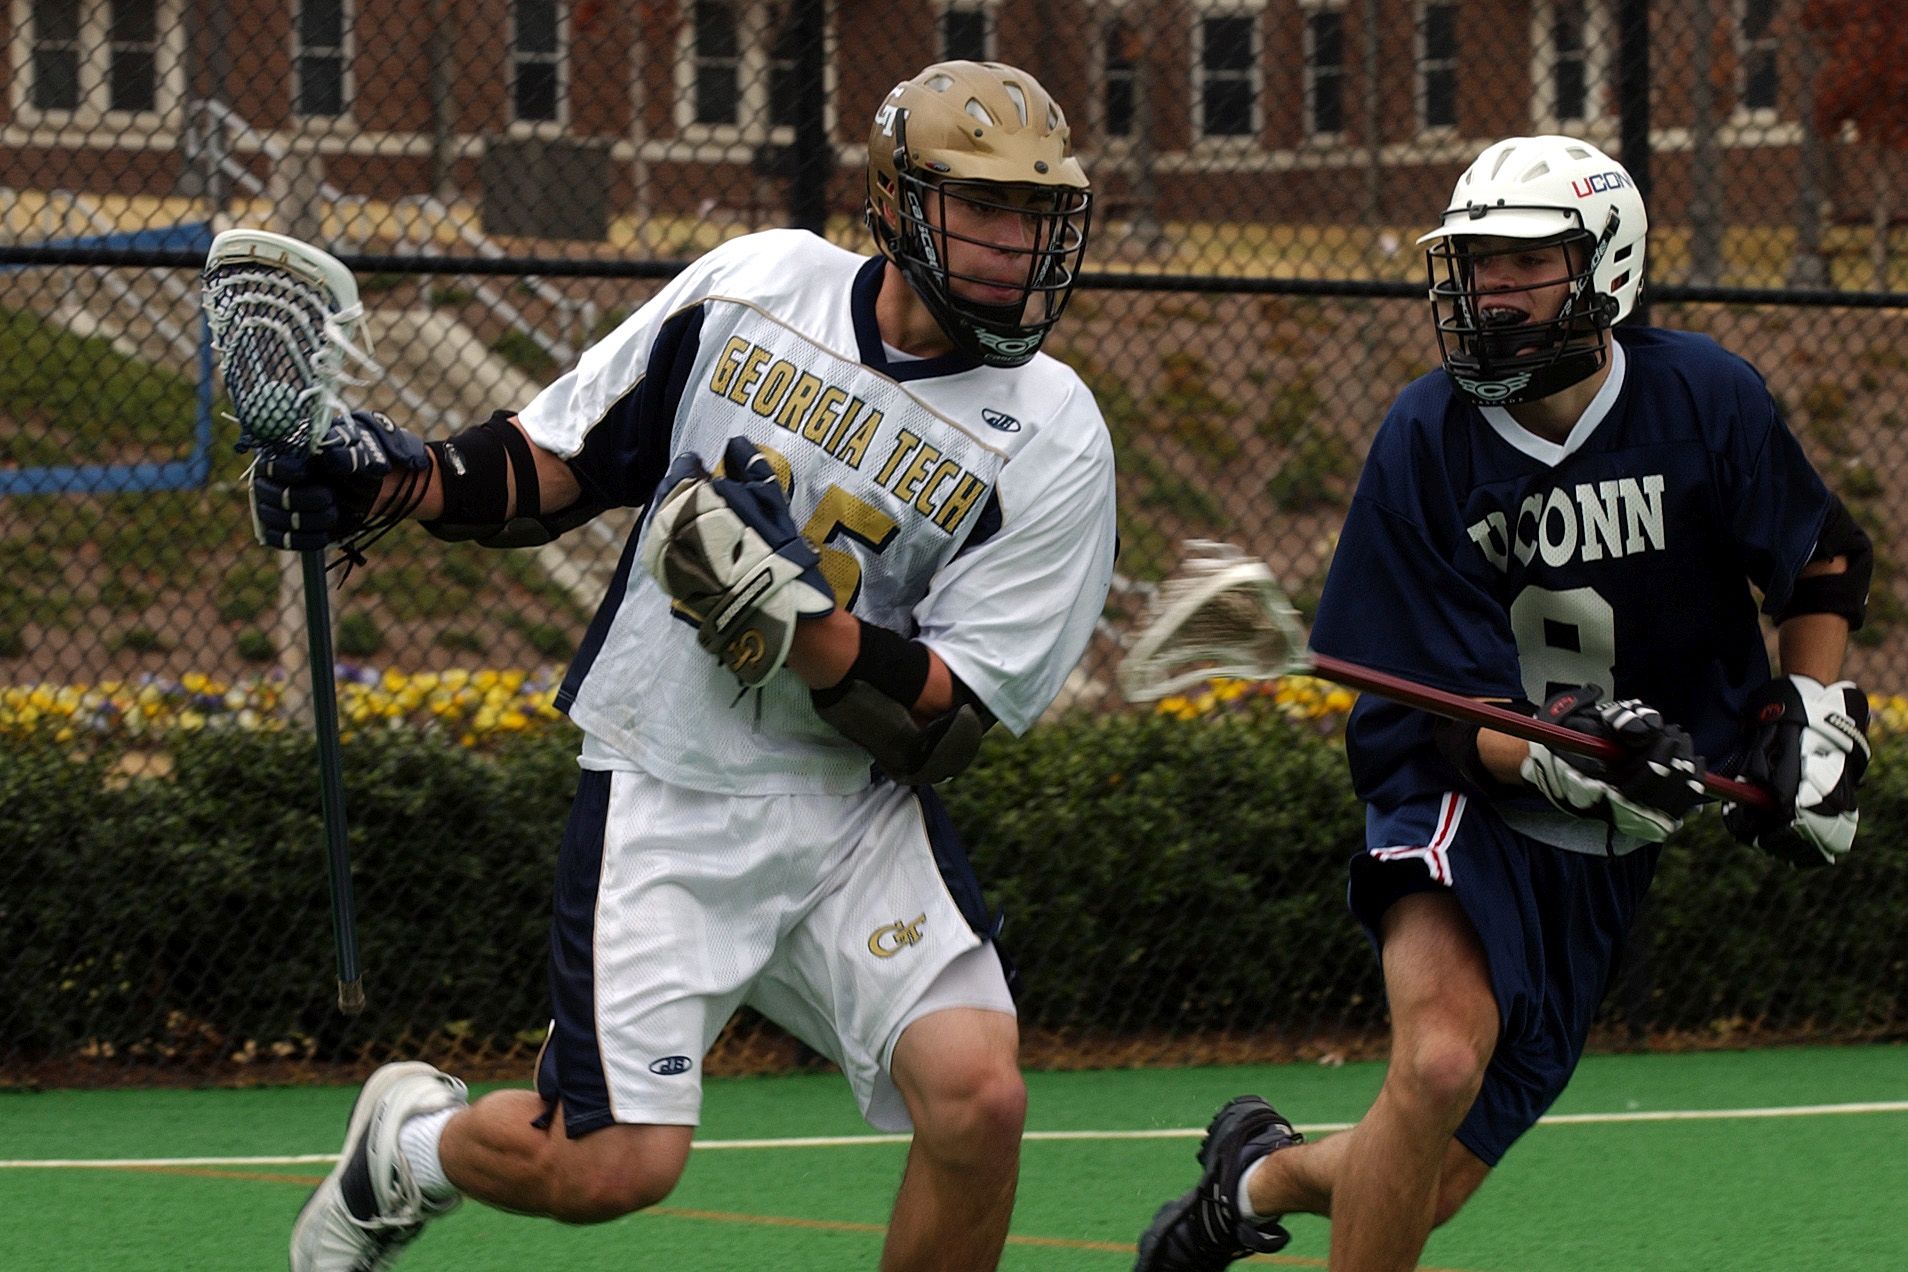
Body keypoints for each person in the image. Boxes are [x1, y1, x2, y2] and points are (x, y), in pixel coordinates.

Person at [262, 60, 1115, 1272]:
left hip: (850, 812)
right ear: (894, 202)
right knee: (608, 1168)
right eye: (982, 206)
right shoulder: (757, 285)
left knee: (980, 1102)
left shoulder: (1056, 432)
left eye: (1035, 213)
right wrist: (393, 480)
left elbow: (951, 719)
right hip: (669, 780)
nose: (1013, 245)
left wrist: (796, 622)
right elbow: (560, 462)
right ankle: (410, 1151)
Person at [1133, 134, 1872, 1272]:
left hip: (1606, 836)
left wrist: (1809, 709)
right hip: (1459, 790)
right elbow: (1438, 709)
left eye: (1525, 263)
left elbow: (1822, 558)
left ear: (1606, 265)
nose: (1491, 290)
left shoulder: (1705, 398)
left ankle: (1254, 1179)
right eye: (1477, 264)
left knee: (1424, 1188)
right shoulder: (1426, 437)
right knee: (1437, 1063)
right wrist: (1553, 753)